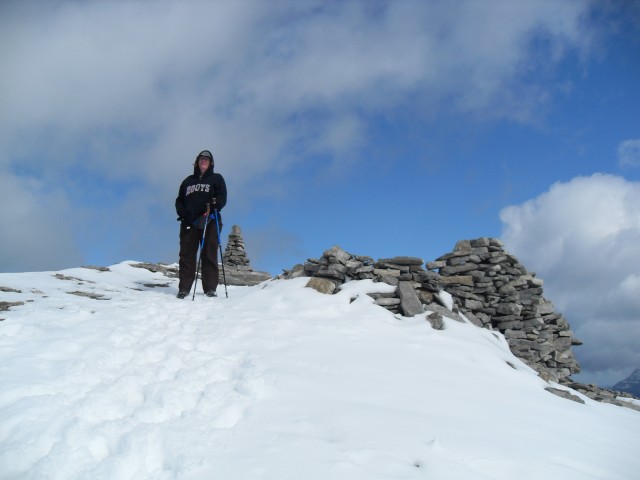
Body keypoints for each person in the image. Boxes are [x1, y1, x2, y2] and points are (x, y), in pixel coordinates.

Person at [175, 149, 227, 299]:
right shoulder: (187, 181)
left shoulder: (217, 178)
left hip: (210, 219)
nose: (203, 161)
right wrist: (182, 213)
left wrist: (216, 203)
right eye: (201, 159)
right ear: (197, 162)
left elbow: (222, 196)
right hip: (189, 222)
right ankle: (184, 288)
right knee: (186, 255)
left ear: (211, 163)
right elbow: (179, 200)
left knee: (209, 253)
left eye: (206, 159)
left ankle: (210, 288)